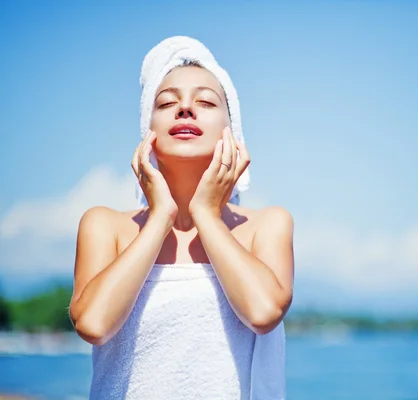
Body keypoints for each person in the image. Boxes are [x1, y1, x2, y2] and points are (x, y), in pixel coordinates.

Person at [68, 36, 294, 399]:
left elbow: (263, 311)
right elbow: (93, 323)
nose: (185, 109)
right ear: (148, 129)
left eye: (205, 101)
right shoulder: (104, 226)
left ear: (232, 133)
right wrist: (160, 217)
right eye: (167, 102)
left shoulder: (266, 226)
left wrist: (206, 214)